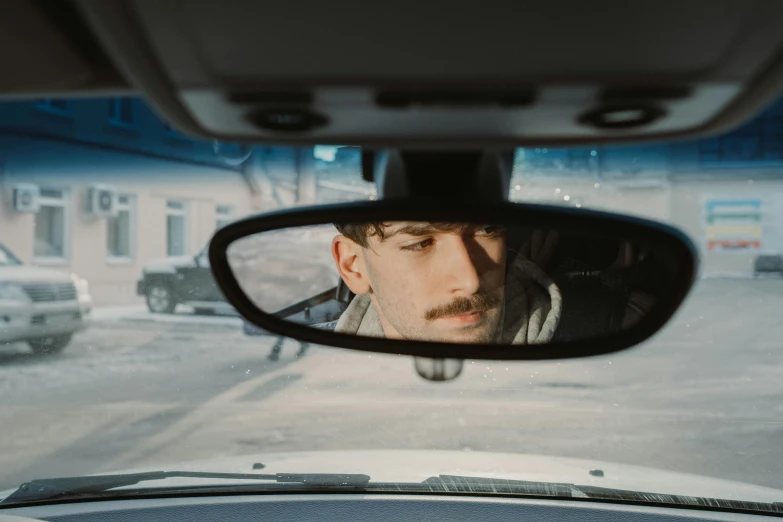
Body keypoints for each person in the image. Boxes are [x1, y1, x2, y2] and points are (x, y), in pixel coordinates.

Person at [327, 222, 562, 344]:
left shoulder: (580, 334)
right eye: (420, 243)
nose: (470, 281)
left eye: (486, 230)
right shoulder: (311, 373)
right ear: (353, 266)